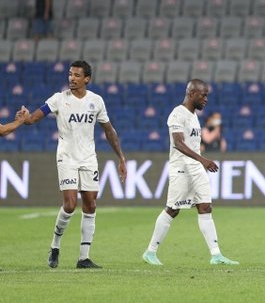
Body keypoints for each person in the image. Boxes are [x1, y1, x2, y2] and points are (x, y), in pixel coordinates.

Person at [22, 60, 127, 269]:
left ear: (87, 79)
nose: (72, 78)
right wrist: (26, 118)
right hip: (66, 157)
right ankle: (55, 246)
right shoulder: (58, 99)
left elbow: (109, 130)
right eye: (70, 74)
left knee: (90, 204)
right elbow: (34, 118)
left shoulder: (96, 101)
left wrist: (121, 158)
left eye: (77, 75)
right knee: (70, 205)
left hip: (88, 158)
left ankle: (83, 257)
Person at [142, 80, 239, 266]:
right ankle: (150, 252)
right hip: (181, 168)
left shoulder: (194, 116)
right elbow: (178, 143)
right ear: (192, 93)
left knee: (205, 207)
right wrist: (203, 160)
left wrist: (200, 162)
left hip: (196, 168)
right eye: (203, 95)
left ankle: (216, 255)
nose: (206, 99)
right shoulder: (177, 114)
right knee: (173, 209)